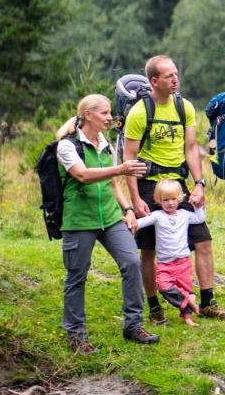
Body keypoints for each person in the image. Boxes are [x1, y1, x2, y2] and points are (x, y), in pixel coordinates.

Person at [124, 55, 225, 324]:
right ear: (154, 81)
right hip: (150, 185)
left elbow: (190, 148)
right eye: (168, 76)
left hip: (179, 186)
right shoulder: (139, 113)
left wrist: (199, 184)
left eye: (176, 74)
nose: (176, 79)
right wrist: (136, 199)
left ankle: (208, 302)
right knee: (149, 249)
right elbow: (129, 159)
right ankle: (153, 306)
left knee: (203, 239)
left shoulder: (184, 107)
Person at [53, 94, 158, 354]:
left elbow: (112, 185)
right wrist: (121, 169)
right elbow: (83, 175)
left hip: (110, 217)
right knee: (77, 276)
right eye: (105, 113)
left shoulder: (105, 143)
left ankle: (133, 326)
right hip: (79, 220)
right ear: (88, 114)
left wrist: (128, 210)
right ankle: (77, 335)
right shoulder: (68, 146)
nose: (110, 118)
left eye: (110, 113)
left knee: (131, 263)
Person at [136, 180, 208, 327]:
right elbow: (141, 223)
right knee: (163, 286)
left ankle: (188, 317)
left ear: (179, 198)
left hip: (183, 262)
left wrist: (198, 206)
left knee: (184, 289)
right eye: (165, 200)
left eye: (173, 199)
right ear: (158, 200)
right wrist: (130, 221)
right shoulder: (157, 215)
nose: (170, 203)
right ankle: (189, 302)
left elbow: (199, 218)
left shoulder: (185, 215)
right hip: (165, 263)